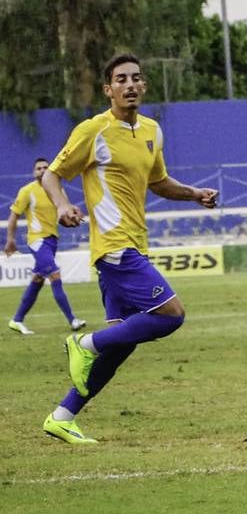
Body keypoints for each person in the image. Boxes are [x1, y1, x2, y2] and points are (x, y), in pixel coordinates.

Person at [41, 54, 219, 445]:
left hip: (134, 244)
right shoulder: (93, 130)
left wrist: (193, 194)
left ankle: (63, 415)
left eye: (136, 78)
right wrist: (62, 206)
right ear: (108, 90)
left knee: (122, 345)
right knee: (171, 315)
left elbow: (158, 182)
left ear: (144, 86)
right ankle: (83, 342)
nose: (130, 85)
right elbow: (53, 175)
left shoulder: (152, 130)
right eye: (121, 79)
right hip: (114, 246)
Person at [6, 157, 86, 335]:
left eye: (45, 167)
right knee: (55, 276)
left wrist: (73, 215)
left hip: (52, 240)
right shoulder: (27, 191)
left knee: (38, 280)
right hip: (37, 240)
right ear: (34, 173)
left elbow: (65, 211)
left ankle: (17, 320)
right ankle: (73, 320)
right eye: (39, 168)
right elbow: (14, 216)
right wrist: (10, 239)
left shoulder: (58, 190)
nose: (42, 170)